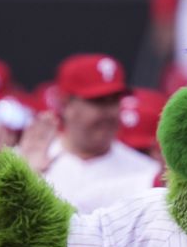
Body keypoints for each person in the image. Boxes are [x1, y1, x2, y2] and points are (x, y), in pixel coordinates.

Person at [42, 53, 161, 213]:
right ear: (65, 104)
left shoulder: (146, 171)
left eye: (114, 100)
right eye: (98, 101)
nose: (109, 113)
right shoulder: (31, 164)